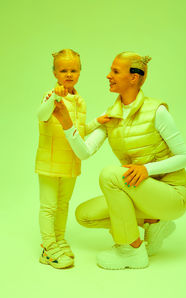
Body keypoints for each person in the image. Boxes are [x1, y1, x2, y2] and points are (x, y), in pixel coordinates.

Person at [53, 51, 186, 270]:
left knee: (110, 175)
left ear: (133, 78)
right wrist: (67, 123)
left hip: (172, 195)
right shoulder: (112, 115)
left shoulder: (157, 110)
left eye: (115, 71)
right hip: (141, 193)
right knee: (85, 215)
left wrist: (146, 169)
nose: (108, 75)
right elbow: (84, 153)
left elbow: (185, 157)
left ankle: (131, 249)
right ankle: (153, 223)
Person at [35, 49, 109, 269]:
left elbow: (80, 131)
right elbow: (41, 115)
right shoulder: (51, 96)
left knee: (63, 204)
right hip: (49, 162)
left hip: (70, 162)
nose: (68, 74)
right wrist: (55, 98)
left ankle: (59, 238)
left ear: (80, 72)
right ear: (55, 73)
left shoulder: (79, 101)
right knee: (48, 206)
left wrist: (98, 121)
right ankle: (48, 248)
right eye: (63, 70)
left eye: (73, 70)